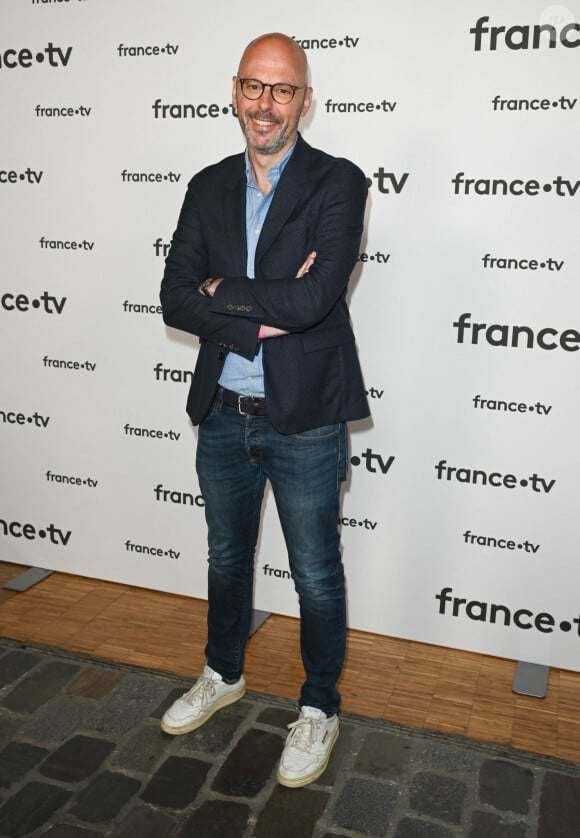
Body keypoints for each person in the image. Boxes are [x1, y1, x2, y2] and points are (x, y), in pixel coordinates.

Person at [159, 31, 369, 788]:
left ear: (304, 102)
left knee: (315, 572)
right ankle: (224, 671)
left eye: (283, 90)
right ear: (235, 91)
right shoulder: (207, 185)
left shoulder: (339, 183)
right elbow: (173, 298)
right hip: (223, 410)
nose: (266, 104)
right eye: (255, 86)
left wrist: (224, 293)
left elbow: (317, 300)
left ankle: (319, 705)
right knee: (223, 557)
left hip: (305, 415)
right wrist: (260, 311)